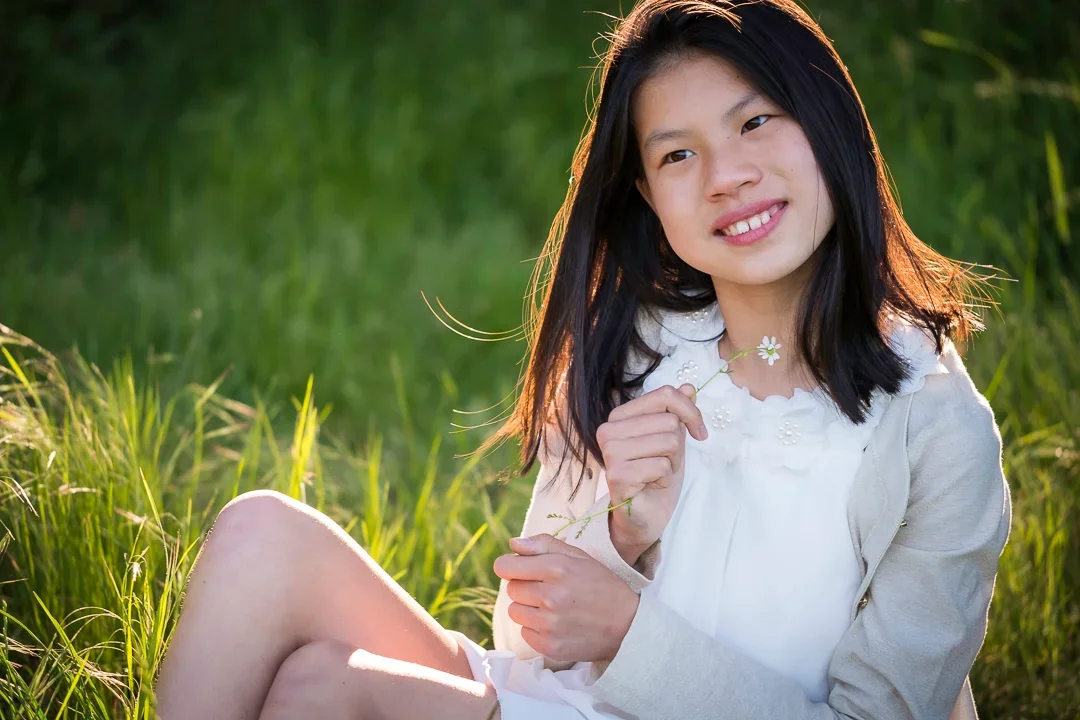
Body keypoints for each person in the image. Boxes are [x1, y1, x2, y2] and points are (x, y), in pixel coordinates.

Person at [153, 1, 1013, 718]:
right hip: (559, 700)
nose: (725, 175)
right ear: (648, 194)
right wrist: (621, 537)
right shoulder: (639, 344)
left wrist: (628, 630)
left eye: (755, 121)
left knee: (324, 691)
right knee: (260, 532)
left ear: (831, 128)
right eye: (678, 154)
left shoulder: (933, 427)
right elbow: (529, 645)